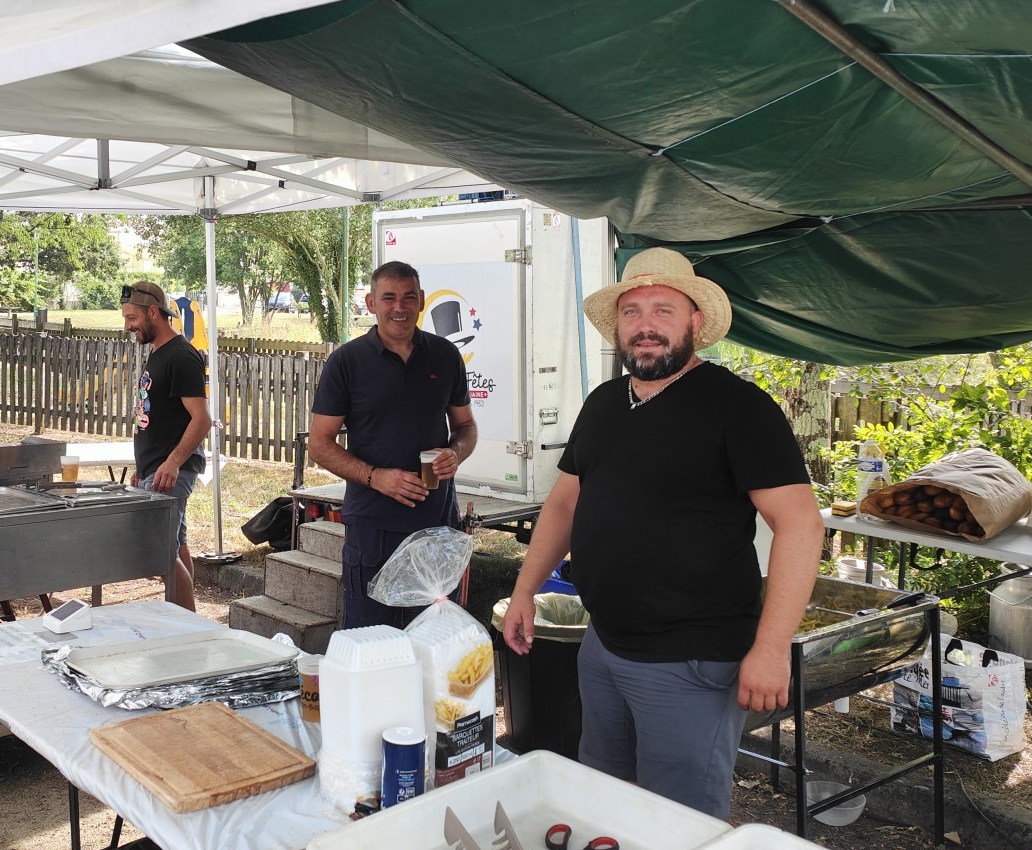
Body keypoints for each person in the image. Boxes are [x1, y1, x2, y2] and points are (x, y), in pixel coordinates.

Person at [500, 248, 823, 818]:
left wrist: (772, 648)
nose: (645, 326)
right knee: (603, 806)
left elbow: (799, 524)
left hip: (691, 661)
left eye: (662, 311)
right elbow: (565, 503)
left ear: (695, 321)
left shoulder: (739, 408)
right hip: (603, 646)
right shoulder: (604, 403)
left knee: (678, 824)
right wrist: (525, 589)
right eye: (632, 312)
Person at [307, 261, 479, 628]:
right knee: (372, 640)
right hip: (374, 528)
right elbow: (319, 444)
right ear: (371, 303)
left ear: (421, 300)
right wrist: (376, 477)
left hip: (437, 527)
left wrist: (456, 453)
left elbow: (465, 426)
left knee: (435, 640)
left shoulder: (445, 355)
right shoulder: (346, 362)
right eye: (388, 298)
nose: (399, 308)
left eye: (408, 297)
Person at [121, 280, 212, 612]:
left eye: (132, 318)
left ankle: (187, 629)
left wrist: (172, 462)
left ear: (153, 313)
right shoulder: (158, 352)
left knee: (160, 552)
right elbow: (156, 417)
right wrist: (142, 467)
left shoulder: (181, 356)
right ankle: (188, 621)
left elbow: (201, 419)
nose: (127, 326)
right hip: (155, 468)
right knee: (176, 545)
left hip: (171, 471)